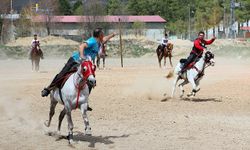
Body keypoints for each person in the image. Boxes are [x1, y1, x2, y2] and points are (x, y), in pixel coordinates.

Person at [41, 28, 105, 98]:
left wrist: (113, 35)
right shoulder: (92, 41)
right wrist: (81, 56)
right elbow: (81, 46)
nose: (104, 35)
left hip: (85, 64)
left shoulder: (98, 42)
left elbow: (105, 39)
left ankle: (85, 99)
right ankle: (48, 89)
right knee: (62, 74)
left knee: (91, 80)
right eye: (102, 34)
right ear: (100, 35)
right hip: (75, 60)